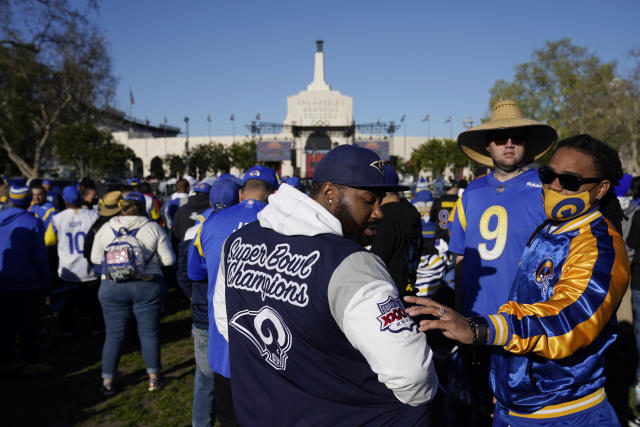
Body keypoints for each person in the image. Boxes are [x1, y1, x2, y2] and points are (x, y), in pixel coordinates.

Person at [406, 134, 629, 426]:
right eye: (549, 175)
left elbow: (567, 321)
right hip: (516, 407)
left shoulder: (600, 246)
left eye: (570, 180)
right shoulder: (547, 231)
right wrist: (504, 382)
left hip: (565, 413)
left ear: (600, 189)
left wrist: (480, 330)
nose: (555, 186)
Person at [214, 145, 439, 426]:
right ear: (330, 192)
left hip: (257, 410)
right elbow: (413, 375)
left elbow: (227, 324)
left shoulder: (237, 241)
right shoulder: (353, 264)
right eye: (369, 200)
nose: (379, 212)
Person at [447, 99, 557, 424]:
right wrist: (457, 312)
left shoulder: (548, 189)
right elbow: (460, 259)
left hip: (524, 327)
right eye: (500, 137)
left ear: (527, 143)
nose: (509, 143)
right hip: (474, 323)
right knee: (480, 410)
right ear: (488, 145)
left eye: (517, 136)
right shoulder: (471, 193)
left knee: (523, 413)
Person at [190, 166, 277, 427]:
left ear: (241, 193)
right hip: (271, 343)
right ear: (273, 194)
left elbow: (195, 272)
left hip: (224, 341)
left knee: (229, 417)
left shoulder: (210, 223)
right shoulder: (286, 224)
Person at [90, 191, 175, 395]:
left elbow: (94, 258)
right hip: (146, 286)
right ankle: (154, 378)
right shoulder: (152, 228)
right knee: (149, 333)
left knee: (113, 335)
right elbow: (169, 261)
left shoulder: (106, 227)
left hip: (111, 285)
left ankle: (107, 381)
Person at [179, 176, 241, 427]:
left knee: (206, 377)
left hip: (206, 312)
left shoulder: (200, 226)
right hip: (231, 313)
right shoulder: (255, 222)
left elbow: (190, 273)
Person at [0, 185, 50, 374]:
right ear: (29, 200)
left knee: (5, 326)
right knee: (29, 325)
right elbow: (40, 257)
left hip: (3, 281)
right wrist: (45, 285)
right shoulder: (33, 222)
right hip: (28, 283)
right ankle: (30, 362)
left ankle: (6, 361)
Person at [44, 186, 102, 335]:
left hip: (68, 269)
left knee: (68, 303)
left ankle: (67, 329)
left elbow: (48, 241)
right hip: (90, 267)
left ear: (65, 201)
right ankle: (96, 327)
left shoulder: (57, 218)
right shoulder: (93, 215)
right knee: (94, 302)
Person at [370, 164, 422, 298]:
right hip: (409, 292)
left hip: (389, 297)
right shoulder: (411, 212)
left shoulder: (386, 218)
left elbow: (375, 261)